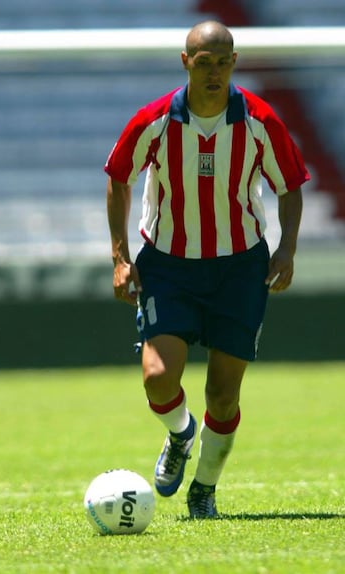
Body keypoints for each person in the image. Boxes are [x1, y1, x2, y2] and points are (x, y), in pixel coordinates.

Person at [105, 20, 310, 519]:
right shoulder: (154, 121)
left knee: (223, 392)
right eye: (204, 61)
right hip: (170, 265)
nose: (214, 71)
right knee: (157, 377)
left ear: (234, 63)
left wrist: (286, 250)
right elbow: (118, 178)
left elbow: (290, 185)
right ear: (186, 62)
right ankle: (180, 433)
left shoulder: (259, 121)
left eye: (223, 61)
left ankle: (204, 489)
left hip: (240, 268)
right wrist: (119, 255)